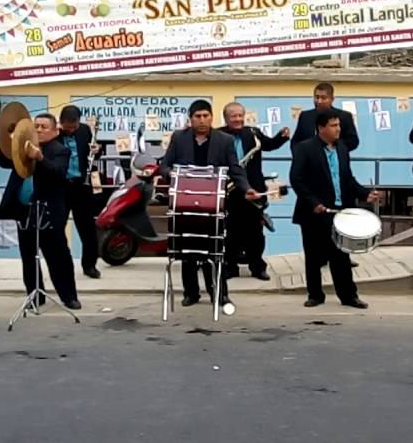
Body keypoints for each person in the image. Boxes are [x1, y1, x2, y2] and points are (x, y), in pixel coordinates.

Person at [158, 99, 256, 309]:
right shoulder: (179, 138)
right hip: (185, 203)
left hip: (213, 204)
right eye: (197, 117)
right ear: (190, 119)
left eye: (206, 116)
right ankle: (190, 293)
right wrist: (171, 173)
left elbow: (235, 169)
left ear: (212, 117)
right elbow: (164, 166)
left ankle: (220, 294)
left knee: (215, 250)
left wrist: (246, 188)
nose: (202, 121)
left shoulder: (225, 140)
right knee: (187, 248)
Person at [290, 109, 382, 308]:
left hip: (340, 211)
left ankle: (349, 296)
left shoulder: (342, 149)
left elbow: (348, 178)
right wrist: (314, 203)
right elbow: (297, 180)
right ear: (321, 128)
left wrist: (365, 194)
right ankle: (315, 294)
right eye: (333, 126)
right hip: (315, 212)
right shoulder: (305, 148)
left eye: (338, 125)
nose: (338, 129)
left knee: (341, 255)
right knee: (313, 256)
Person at [0, 113, 80, 309]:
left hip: (48, 211)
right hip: (24, 210)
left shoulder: (60, 151)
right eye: (36, 126)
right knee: (28, 256)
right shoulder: (23, 146)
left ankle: (68, 296)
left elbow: (58, 174)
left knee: (57, 255)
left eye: (44, 127)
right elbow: (3, 161)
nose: (39, 130)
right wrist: (8, 141)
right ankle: (35, 295)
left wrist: (40, 158)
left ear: (55, 131)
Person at [219, 102, 290, 280]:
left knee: (255, 231)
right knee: (231, 230)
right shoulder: (218, 135)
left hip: (254, 189)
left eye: (240, 115)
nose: (237, 119)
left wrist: (281, 137)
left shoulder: (254, 133)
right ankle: (230, 266)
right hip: (229, 189)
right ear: (226, 118)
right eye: (233, 116)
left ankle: (257, 267)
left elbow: (269, 145)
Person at [58, 105, 102, 279]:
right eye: (67, 127)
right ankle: (62, 263)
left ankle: (89, 265)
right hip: (61, 186)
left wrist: (96, 151)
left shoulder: (84, 130)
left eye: (74, 127)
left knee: (87, 228)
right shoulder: (53, 133)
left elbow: (93, 155)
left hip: (81, 185)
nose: (71, 130)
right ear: (61, 123)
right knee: (57, 226)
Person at [292, 82, 359, 154]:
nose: (319, 101)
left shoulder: (344, 116)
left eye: (323, 98)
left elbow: (353, 141)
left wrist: (333, 147)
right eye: (317, 97)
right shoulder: (305, 116)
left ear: (332, 99)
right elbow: (296, 141)